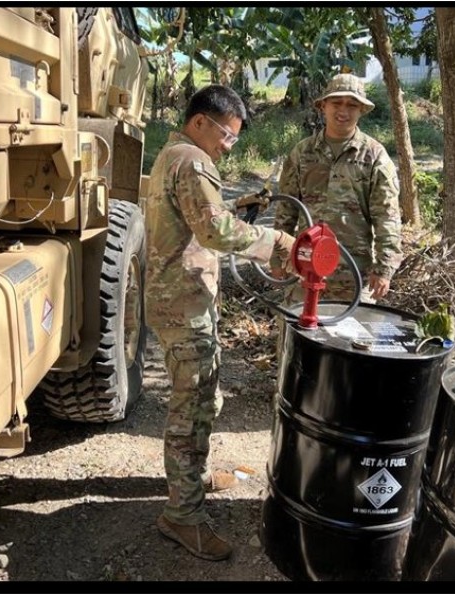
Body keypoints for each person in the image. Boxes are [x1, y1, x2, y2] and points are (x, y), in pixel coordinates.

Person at [144, 84, 296, 561]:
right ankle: (182, 516)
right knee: (191, 407)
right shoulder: (191, 160)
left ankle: (194, 477)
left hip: (180, 297)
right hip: (183, 302)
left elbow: (201, 220)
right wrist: (275, 241)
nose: (228, 145)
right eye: (227, 136)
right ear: (201, 122)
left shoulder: (171, 153)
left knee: (203, 395)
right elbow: (212, 230)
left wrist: (235, 210)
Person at [271, 73, 403, 304]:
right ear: (323, 106)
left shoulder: (374, 156)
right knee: (298, 335)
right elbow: (286, 208)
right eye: (336, 103)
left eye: (352, 105)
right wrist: (278, 256)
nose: (343, 110)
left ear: (362, 110)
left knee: (349, 338)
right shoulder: (302, 153)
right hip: (304, 267)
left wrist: (384, 268)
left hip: (352, 274)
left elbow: (387, 216)